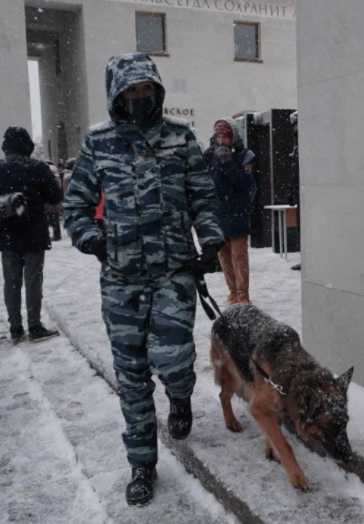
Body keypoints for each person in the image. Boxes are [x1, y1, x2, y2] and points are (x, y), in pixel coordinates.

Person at [63, 53, 223, 506]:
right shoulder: (98, 142)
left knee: (173, 356)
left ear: (156, 90)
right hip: (120, 278)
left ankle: (180, 394)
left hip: (173, 271)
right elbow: (74, 207)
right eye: (130, 92)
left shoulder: (180, 137)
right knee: (131, 375)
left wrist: (209, 241)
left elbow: (203, 196)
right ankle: (142, 463)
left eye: (146, 90)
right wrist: (91, 239)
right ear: (116, 93)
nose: (139, 98)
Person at [0, 127, 62, 344]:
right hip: (33, 231)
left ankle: (15, 328)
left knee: (11, 282)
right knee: (33, 280)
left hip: (6, 233)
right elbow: (55, 197)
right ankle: (34, 326)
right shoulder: (37, 167)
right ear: (27, 146)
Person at [203, 118, 256, 304]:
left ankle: (243, 294)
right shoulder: (212, 155)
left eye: (224, 136)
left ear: (232, 136)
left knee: (239, 256)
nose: (221, 140)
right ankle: (233, 292)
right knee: (223, 256)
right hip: (219, 213)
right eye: (217, 136)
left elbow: (243, 184)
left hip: (238, 211)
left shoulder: (245, 155)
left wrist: (228, 163)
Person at [288, 111, 301, 271]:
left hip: (304, 193)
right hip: (299, 193)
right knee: (301, 228)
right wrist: (291, 190)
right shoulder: (297, 146)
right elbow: (294, 171)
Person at [45, 164, 62, 241]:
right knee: (54, 219)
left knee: (53, 219)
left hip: (52, 203)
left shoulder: (53, 179)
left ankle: (56, 235)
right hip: (54, 202)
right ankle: (56, 234)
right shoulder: (56, 178)